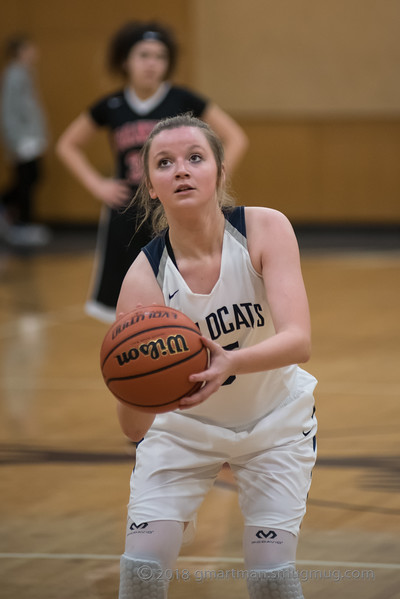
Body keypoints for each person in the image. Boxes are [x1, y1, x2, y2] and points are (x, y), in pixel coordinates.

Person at [114, 114, 317, 599]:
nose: (181, 169)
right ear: (152, 189)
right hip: (182, 434)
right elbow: (131, 428)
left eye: (194, 158)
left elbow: (299, 340)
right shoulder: (143, 280)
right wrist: (137, 386)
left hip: (276, 425)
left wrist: (228, 362)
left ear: (220, 172)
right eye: (164, 163)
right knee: (140, 573)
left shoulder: (265, 229)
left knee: (271, 580)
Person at [56, 20, 248, 323]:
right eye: (144, 55)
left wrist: (214, 181)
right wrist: (97, 185)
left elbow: (236, 137)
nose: (152, 63)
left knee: (182, 296)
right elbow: (67, 144)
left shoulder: (183, 100)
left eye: (160, 57)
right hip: (127, 211)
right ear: (126, 61)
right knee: (124, 311)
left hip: (173, 209)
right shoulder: (113, 105)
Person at [0, 34, 50, 247]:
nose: (34, 52)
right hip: (23, 141)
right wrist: (16, 140)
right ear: (20, 51)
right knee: (25, 181)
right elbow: (9, 111)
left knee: (32, 178)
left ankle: (19, 221)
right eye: (30, 48)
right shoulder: (14, 75)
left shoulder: (25, 73)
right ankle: (21, 223)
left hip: (31, 139)